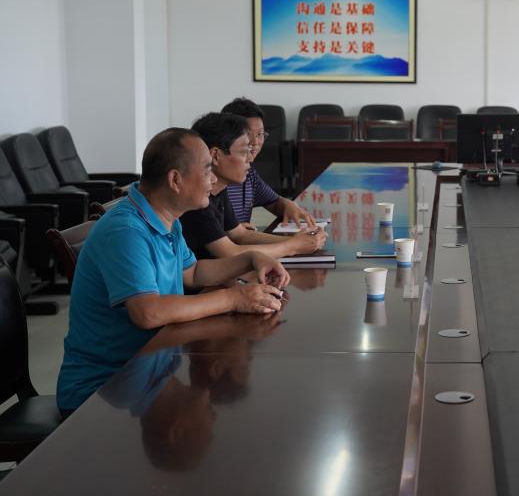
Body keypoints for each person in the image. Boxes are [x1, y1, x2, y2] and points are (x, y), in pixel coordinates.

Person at [56, 128, 289, 414]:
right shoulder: (126, 231)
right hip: (105, 390)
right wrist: (234, 298)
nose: (213, 179)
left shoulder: (167, 217)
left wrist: (251, 259)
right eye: (207, 170)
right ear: (175, 180)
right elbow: (148, 313)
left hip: (149, 369)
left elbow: (193, 273)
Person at [180, 112, 327, 260]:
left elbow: (240, 235)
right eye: (244, 151)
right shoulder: (198, 200)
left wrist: (299, 240)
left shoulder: (219, 190)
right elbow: (230, 253)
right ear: (216, 156)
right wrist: (293, 246)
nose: (251, 158)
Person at [220, 97, 315, 229]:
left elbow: (274, 202)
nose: (255, 142)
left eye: (260, 134)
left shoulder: (249, 174)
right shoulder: (214, 180)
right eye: (248, 134)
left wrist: (289, 205)